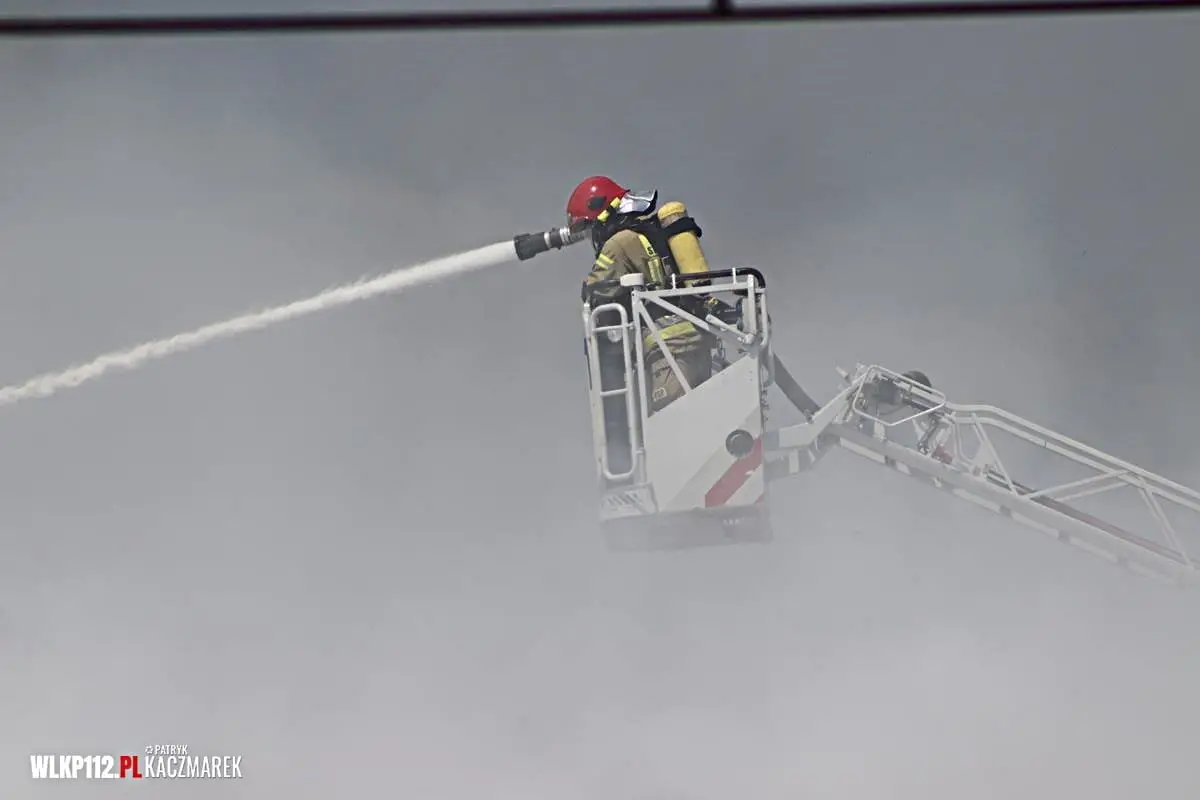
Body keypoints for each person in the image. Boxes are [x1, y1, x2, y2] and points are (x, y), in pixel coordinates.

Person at [569, 175, 715, 429]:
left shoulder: (617, 243)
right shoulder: (647, 231)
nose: (591, 235)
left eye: (588, 227)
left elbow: (595, 289)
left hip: (666, 346)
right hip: (695, 338)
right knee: (701, 421)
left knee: (675, 428)